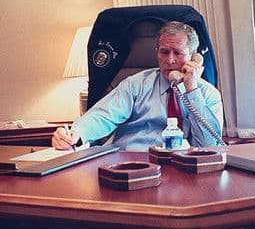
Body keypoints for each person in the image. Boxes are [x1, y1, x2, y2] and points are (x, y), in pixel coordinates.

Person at [52, 21, 224, 151]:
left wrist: (192, 90)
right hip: (128, 162)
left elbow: (209, 146)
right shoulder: (136, 84)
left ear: (193, 57)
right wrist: (75, 134)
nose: (170, 60)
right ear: (156, 52)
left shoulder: (208, 94)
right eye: (164, 52)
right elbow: (104, 115)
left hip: (180, 168)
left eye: (178, 53)